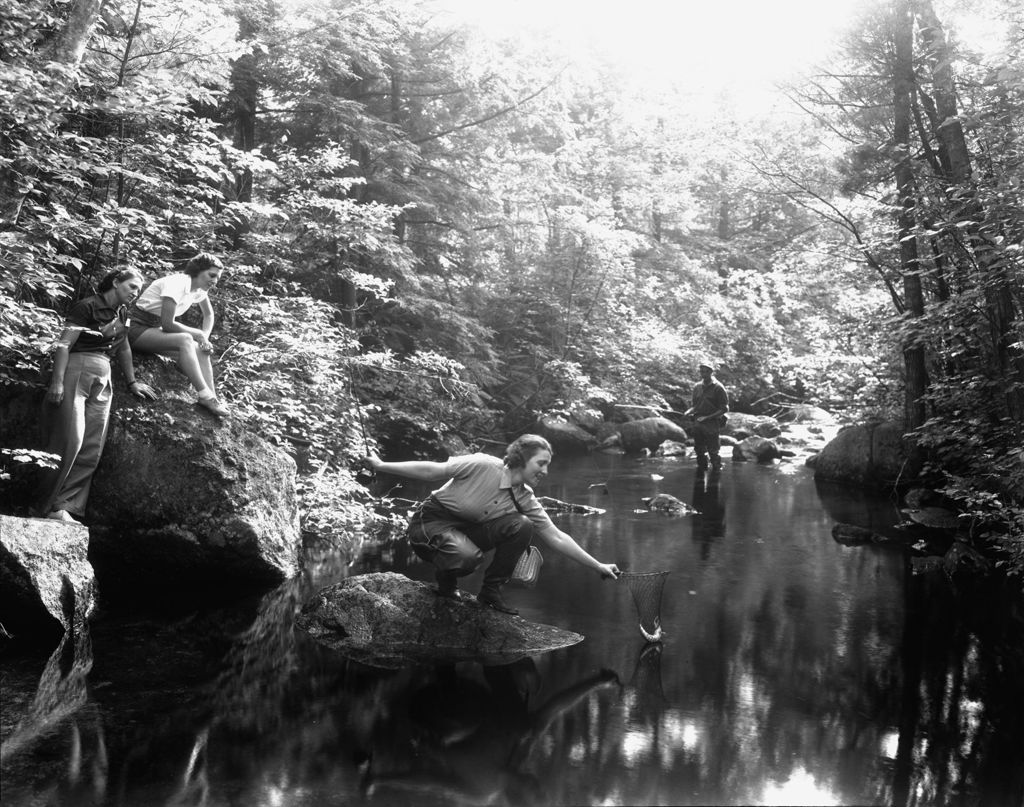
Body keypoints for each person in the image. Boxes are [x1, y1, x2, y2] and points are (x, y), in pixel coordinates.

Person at [364, 434, 619, 615]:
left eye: (548, 465)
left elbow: (556, 536)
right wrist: (381, 466)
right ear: (521, 458)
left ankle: (491, 592)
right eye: (541, 463)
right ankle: (446, 580)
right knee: (466, 558)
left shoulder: (524, 496)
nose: (545, 471)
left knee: (522, 524)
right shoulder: (483, 464)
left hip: (464, 531)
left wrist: (597, 565)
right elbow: (433, 471)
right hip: (430, 524)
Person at [41, 267, 157, 522]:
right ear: (116, 282)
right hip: (77, 368)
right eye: (131, 287)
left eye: (138, 290)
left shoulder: (123, 313)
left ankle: (64, 507)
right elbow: (63, 344)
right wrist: (57, 382)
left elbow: (124, 348)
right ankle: (44, 504)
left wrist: (132, 381)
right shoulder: (87, 306)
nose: (135, 294)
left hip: (104, 375)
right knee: (71, 439)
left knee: (93, 445)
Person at [127, 253, 228, 418]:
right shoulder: (178, 283)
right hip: (135, 328)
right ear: (198, 270)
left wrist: (204, 338)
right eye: (212, 275)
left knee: (201, 350)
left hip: (153, 330)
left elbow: (209, 315)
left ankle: (211, 397)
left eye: (218, 277)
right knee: (186, 339)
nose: (215, 280)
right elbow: (168, 324)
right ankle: (204, 394)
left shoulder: (199, 289)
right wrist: (198, 334)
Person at [684, 359, 729, 472]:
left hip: (712, 423)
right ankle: (701, 473)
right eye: (701, 371)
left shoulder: (718, 387)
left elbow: (724, 408)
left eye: (705, 371)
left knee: (713, 451)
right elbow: (695, 406)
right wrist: (689, 411)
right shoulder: (697, 387)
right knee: (699, 450)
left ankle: (716, 475)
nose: (703, 374)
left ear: (711, 372)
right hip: (698, 423)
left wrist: (708, 417)